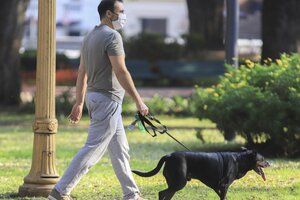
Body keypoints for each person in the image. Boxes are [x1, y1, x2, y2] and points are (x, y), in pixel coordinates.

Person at [48, 0, 149, 199]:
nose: (124, 15)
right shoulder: (112, 36)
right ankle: (60, 191)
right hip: (107, 101)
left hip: (96, 99)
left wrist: (79, 102)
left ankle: (132, 194)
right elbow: (121, 71)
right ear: (109, 14)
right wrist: (139, 100)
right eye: (121, 11)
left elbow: (82, 72)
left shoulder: (90, 36)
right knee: (93, 149)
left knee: (120, 150)